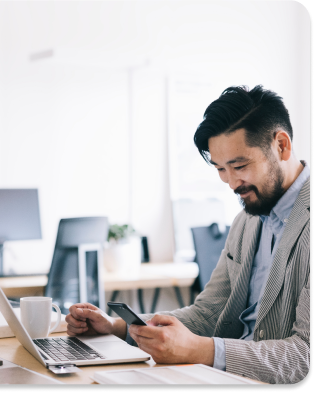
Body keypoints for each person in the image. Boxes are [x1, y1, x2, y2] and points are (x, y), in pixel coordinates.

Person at [65, 85, 309, 385]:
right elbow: (207, 313)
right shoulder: (246, 222)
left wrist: (201, 349)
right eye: (220, 169)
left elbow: (303, 356)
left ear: (281, 146)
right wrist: (118, 327)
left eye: (240, 166)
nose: (231, 183)